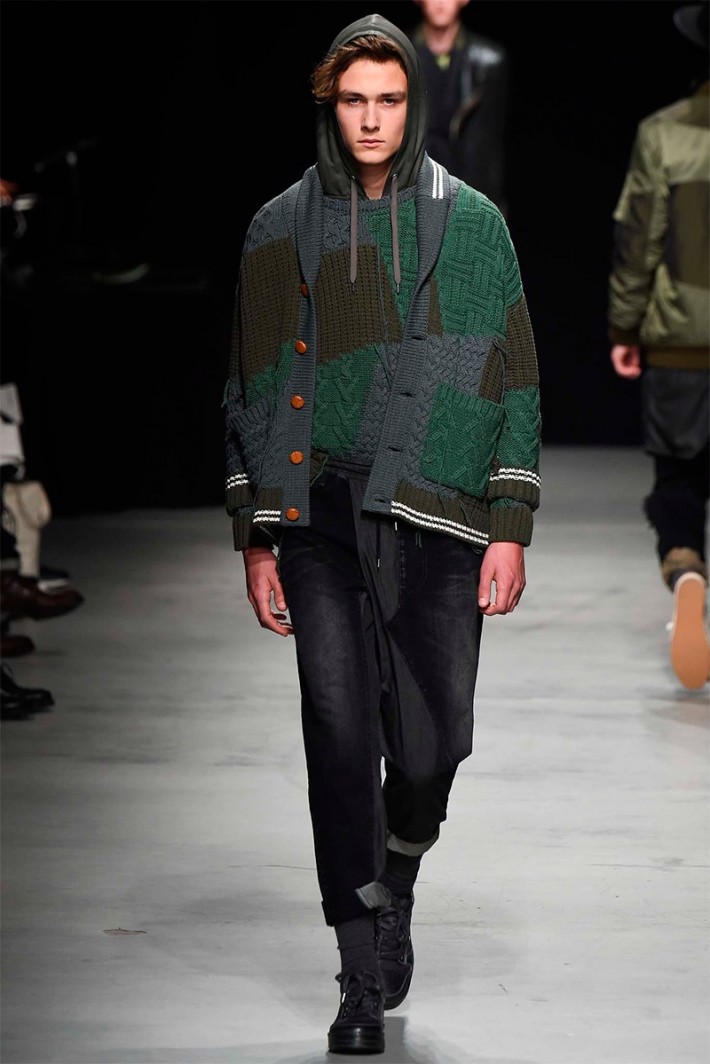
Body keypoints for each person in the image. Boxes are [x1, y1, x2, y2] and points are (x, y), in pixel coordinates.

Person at [224, 13, 540, 1055]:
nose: (370, 119)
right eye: (354, 100)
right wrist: (255, 535)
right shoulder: (278, 227)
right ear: (332, 104)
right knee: (337, 729)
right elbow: (249, 381)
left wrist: (509, 524)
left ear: (413, 106)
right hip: (316, 513)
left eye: (389, 100)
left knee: (436, 743)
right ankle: (358, 969)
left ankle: (399, 863)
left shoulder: (473, 224)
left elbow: (514, 372)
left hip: (437, 512)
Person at [608, 2, 709, 691]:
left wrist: (625, 327)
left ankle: (687, 566)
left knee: (678, 478)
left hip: (680, 336)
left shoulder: (664, 133)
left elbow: (640, 240)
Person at [408, 0, 509, 215]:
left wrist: (493, 210)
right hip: (411, 194)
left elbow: (491, 148)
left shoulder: (489, 62)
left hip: (467, 197)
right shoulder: (396, 57)